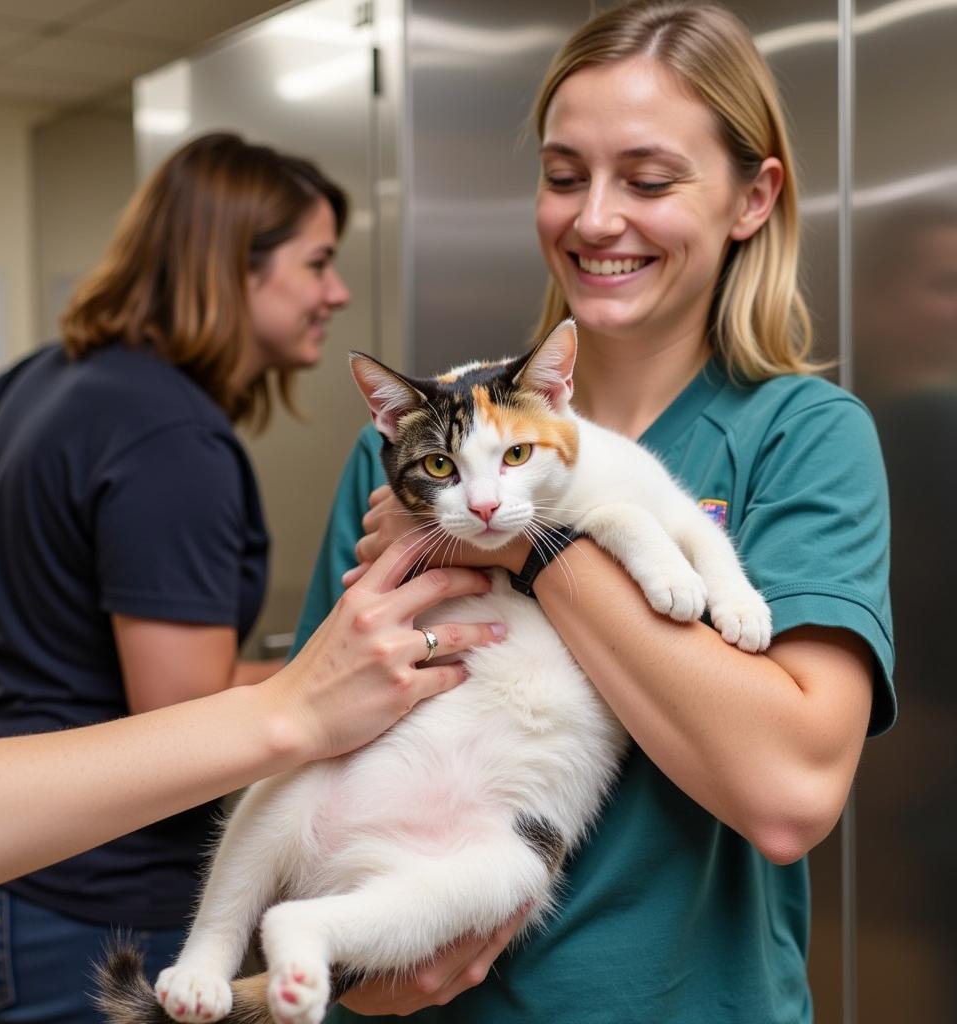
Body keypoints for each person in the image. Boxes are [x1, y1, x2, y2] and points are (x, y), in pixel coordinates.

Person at [291, 2, 895, 1021]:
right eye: (564, 176)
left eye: (649, 181)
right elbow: (311, 746)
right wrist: (368, 979)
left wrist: (535, 546)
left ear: (752, 198)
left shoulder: (800, 434)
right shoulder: (412, 458)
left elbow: (788, 793)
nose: (594, 218)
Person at [0, 132, 502, 1023]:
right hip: (84, 902)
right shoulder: (173, 439)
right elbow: (184, 705)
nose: (336, 292)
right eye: (317, 264)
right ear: (237, 268)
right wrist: (353, 675)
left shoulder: (51, 374)